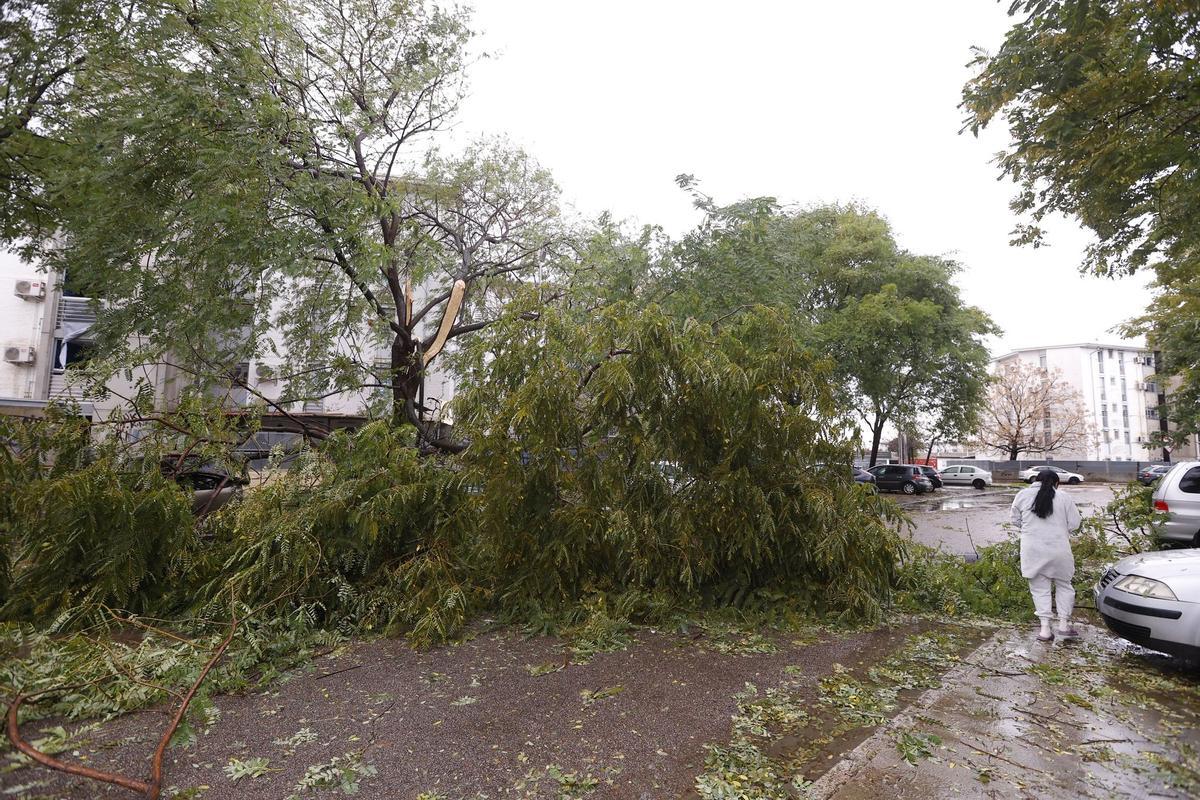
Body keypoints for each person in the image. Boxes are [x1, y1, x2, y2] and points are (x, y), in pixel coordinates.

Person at [1010, 469, 1082, 642]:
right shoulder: (1064, 497)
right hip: (1059, 549)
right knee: (1064, 585)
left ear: (1036, 480)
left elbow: (1015, 520)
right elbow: (1074, 524)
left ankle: (1044, 630)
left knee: (1039, 588)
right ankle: (1064, 625)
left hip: (1032, 549)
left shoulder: (1022, 495)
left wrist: (1031, 529)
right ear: (1056, 483)